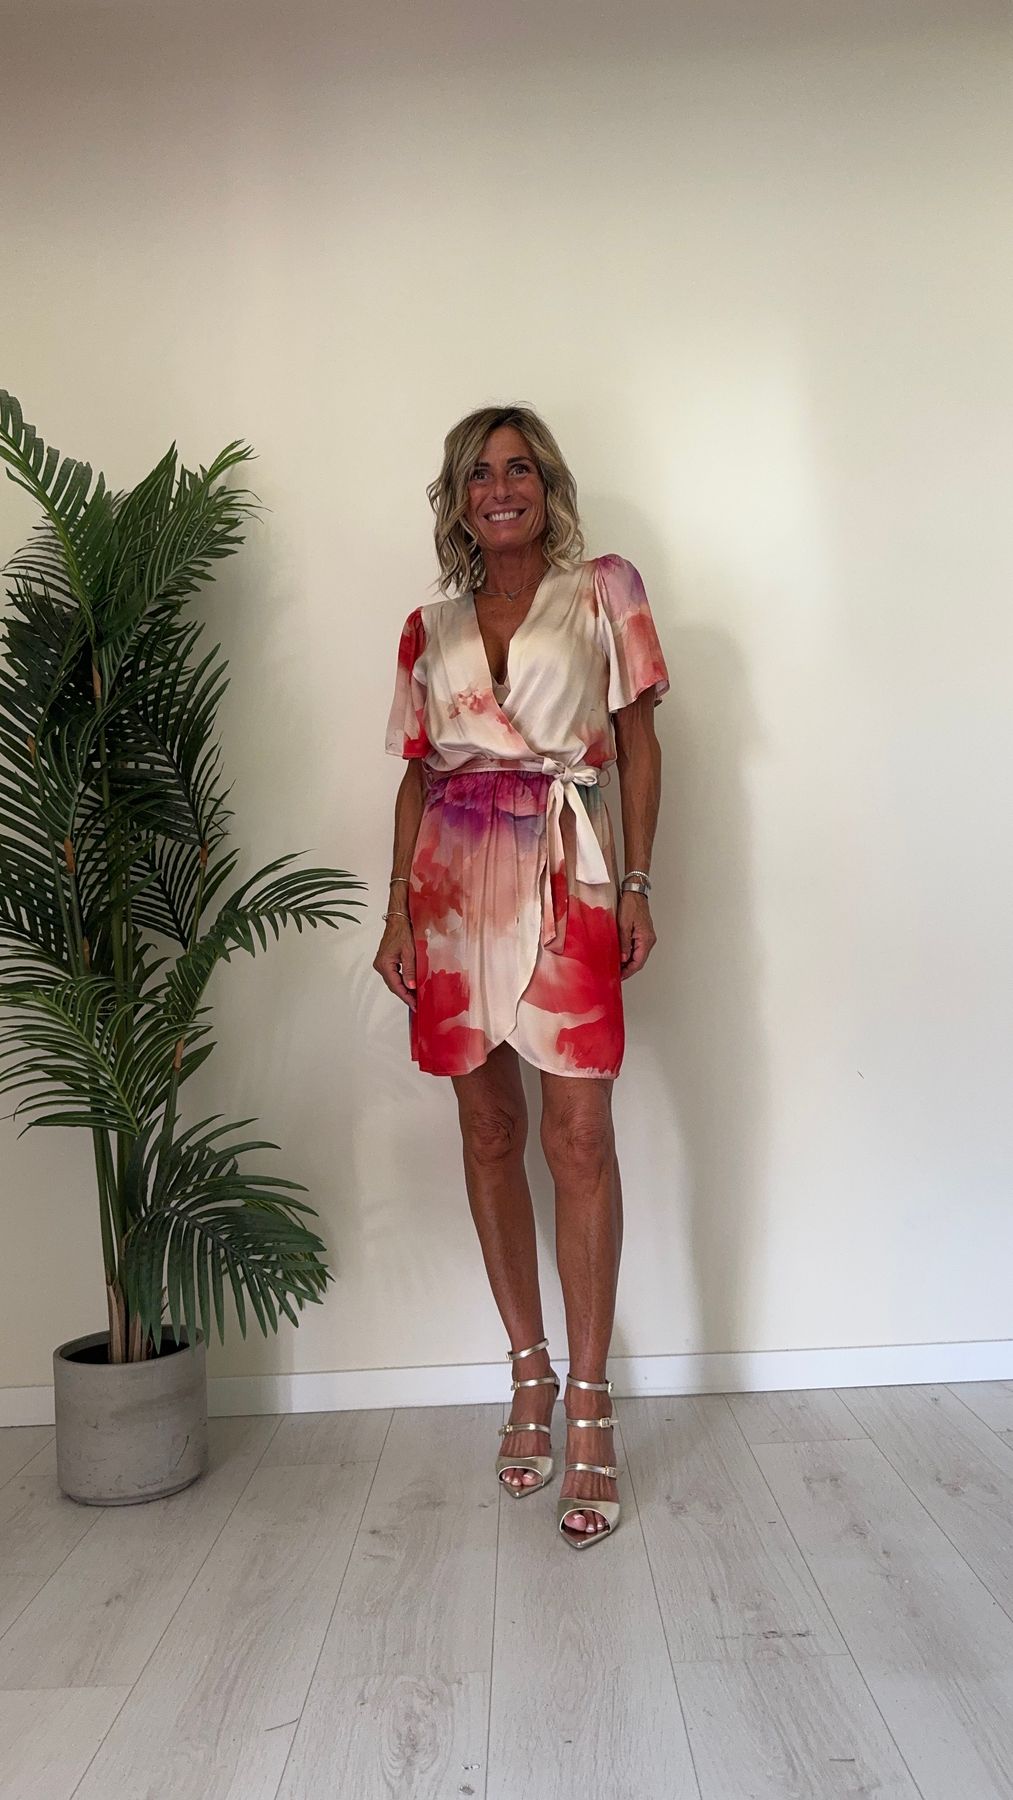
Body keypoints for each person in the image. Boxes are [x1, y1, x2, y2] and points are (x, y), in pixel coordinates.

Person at [374, 404, 669, 1549]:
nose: (498, 489)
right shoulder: (427, 626)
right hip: (449, 888)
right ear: (457, 501)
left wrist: (635, 881)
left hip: (567, 872)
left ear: (546, 486)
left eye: (517, 470)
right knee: (489, 1132)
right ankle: (528, 1372)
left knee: (579, 1138)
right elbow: (415, 775)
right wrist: (395, 915)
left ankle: (590, 1401)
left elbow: (636, 743)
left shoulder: (603, 590)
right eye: (477, 475)